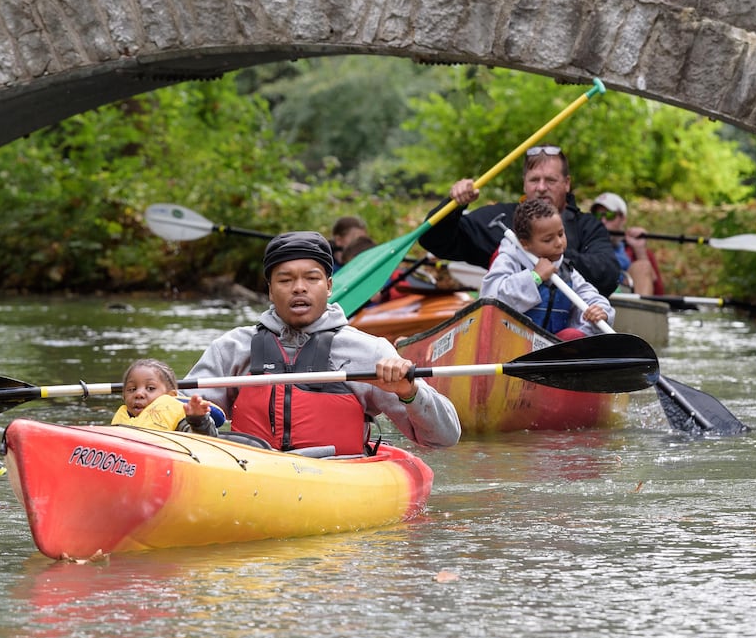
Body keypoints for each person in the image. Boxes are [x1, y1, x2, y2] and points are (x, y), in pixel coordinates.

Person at [184, 231, 460, 455]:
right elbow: (180, 414)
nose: (299, 288)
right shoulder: (233, 347)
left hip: (337, 481)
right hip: (253, 475)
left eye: (311, 278)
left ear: (328, 286)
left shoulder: (370, 351)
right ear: (269, 290)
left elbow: (444, 438)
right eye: (285, 279)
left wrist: (409, 392)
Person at [419, 145, 620, 297]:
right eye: (534, 180)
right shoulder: (498, 220)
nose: (541, 187)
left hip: (565, 334)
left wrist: (548, 252)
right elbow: (433, 240)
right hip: (509, 328)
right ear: (524, 183)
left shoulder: (588, 226)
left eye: (550, 180)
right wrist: (454, 205)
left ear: (566, 184)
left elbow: (608, 276)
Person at [479, 198, 613, 338]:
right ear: (525, 243)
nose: (559, 243)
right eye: (548, 240)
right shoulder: (509, 261)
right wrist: (534, 277)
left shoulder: (565, 270)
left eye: (561, 234)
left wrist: (600, 310)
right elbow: (491, 301)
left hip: (550, 352)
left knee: (571, 336)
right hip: (510, 346)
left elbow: (590, 296)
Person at [112, 358, 221, 436]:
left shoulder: (180, 420)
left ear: (171, 396)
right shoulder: (123, 418)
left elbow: (205, 439)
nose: (138, 394)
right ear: (124, 396)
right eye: (132, 389)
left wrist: (197, 420)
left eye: (150, 388)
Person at [591, 192, 665, 295]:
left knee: (642, 266)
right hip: (596, 301)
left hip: (628, 303)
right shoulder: (583, 246)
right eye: (597, 215)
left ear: (623, 219)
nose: (603, 221)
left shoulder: (637, 249)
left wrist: (640, 253)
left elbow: (658, 293)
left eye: (609, 215)